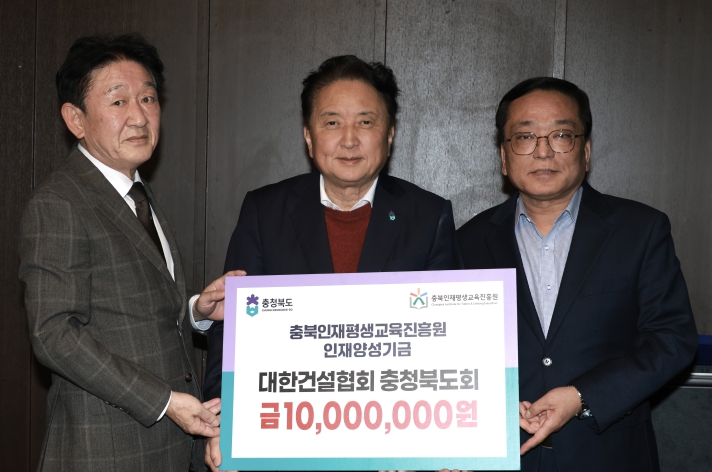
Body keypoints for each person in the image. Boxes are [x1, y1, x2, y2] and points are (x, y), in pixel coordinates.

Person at [202, 55, 460, 470]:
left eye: (366, 122)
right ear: (309, 136)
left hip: (393, 445)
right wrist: (223, 420)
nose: (349, 140)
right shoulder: (265, 210)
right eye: (332, 122)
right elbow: (231, 326)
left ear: (390, 134)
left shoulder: (428, 216)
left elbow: (450, 340)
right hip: (287, 440)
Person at [19, 34, 241, 472]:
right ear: (76, 119)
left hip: (166, 450)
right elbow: (53, 334)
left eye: (148, 98)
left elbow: (136, 313)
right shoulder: (59, 203)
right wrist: (164, 401)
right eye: (118, 101)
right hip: (104, 451)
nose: (139, 116)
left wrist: (196, 309)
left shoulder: (136, 192)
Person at [456, 77, 698, 471]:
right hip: (503, 455)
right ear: (504, 156)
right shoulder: (467, 242)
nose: (543, 151)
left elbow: (672, 340)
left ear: (585, 151)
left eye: (561, 135)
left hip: (609, 455)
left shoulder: (640, 230)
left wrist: (581, 395)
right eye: (525, 137)